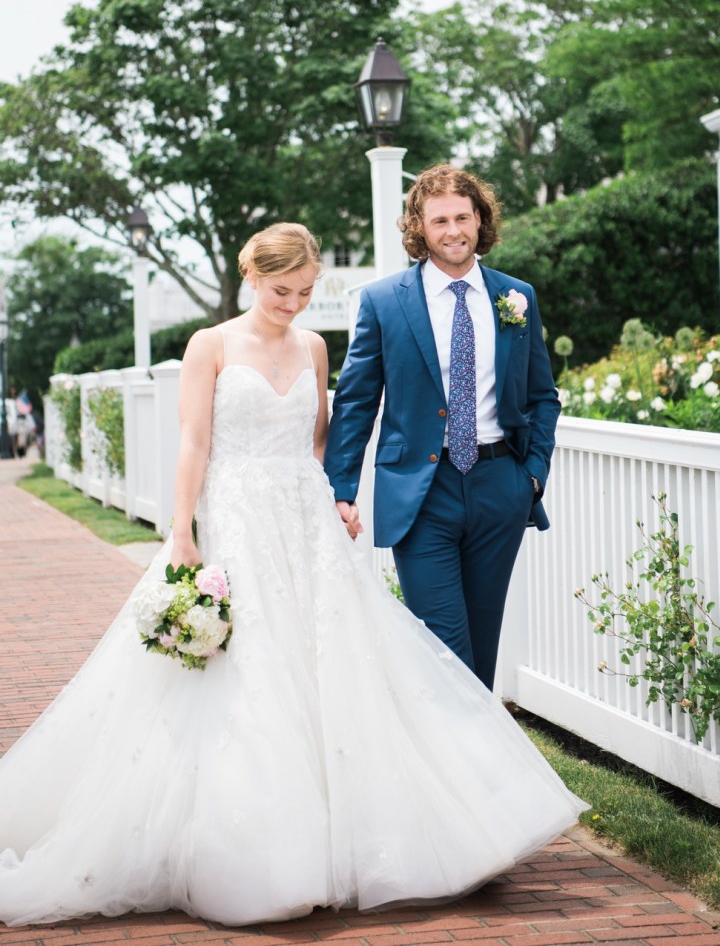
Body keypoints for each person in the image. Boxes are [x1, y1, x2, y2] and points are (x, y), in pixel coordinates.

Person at [0, 222, 585, 929]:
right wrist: (181, 530)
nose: (294, 304)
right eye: (283, 291)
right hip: (235, 520)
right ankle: (256, 854)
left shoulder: (313, 347)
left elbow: (319, 438)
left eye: (306, 292)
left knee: (338, 670)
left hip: (304, 523)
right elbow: (192, 441)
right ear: (253, 278)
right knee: (250, 675)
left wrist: (334, 501)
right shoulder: (209, 345)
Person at [325, 165, 560, 691]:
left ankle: (476, 768)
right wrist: (340, 487)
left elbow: (543, 396)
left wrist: (533, 476)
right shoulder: (384, 302)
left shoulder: (516, 297)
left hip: (500, 485)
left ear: (479, 220)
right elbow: (357, 401)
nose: (452, 230)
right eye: (439, 221)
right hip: (420, 492)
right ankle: (460, 761)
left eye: (462, 217)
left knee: (483, 640)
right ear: (419, 228)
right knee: (442, 647)